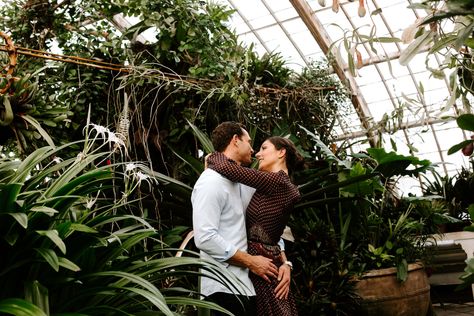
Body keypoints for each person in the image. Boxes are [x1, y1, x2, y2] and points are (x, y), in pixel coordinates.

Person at [206, 136, 304, 316]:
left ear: (281, 152)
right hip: (267, 260)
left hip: (263, 262)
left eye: (264, 148)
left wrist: (212, 157)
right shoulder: (275, 185)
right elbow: (275, 231)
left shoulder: (276, 181)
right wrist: (286, 263)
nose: (258, 154)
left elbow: (226, 168)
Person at [191, 121, 280, 316]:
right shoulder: (210, 182)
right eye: (248, 142)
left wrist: (286, 264)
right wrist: (251, 262)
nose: (253, 149)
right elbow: (204, 237)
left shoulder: (245, 183)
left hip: (248, 287)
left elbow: (269, 224)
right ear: (235, 140)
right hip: (222, 287)